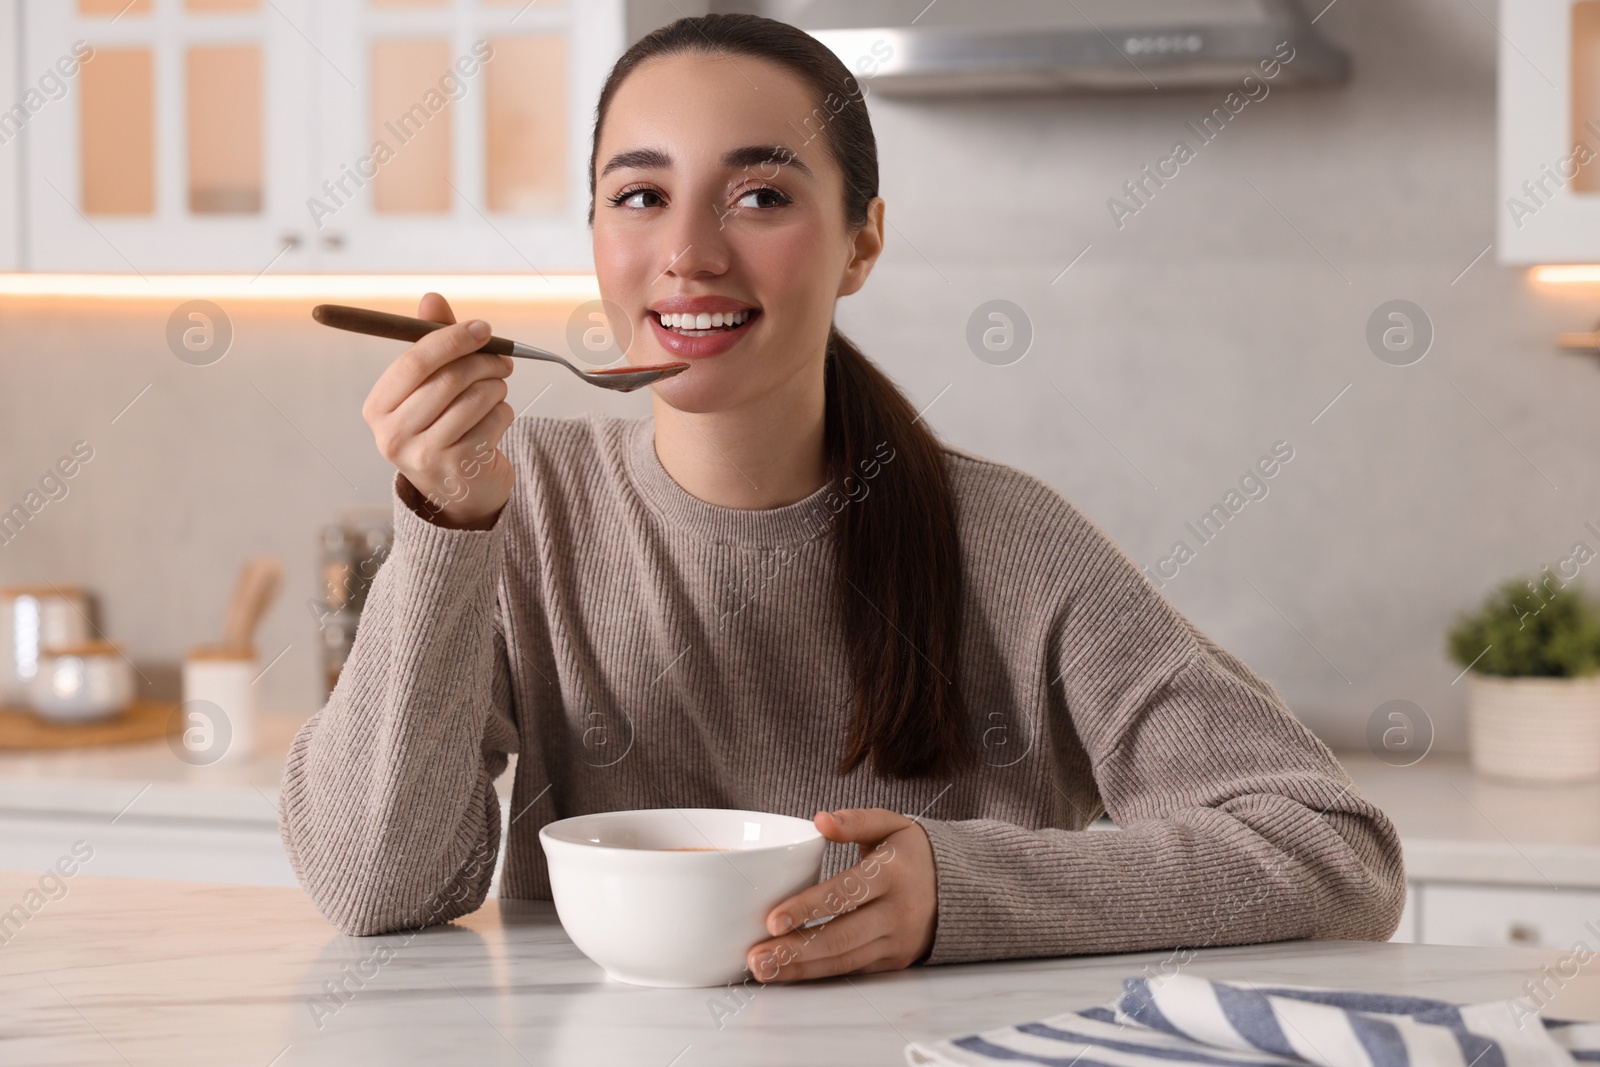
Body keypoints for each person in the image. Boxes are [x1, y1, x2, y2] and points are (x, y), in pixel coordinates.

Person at [279, 13, 1404, 984]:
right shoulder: (525, 507)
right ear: (593, 237)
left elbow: (1334, 852)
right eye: (639, 195)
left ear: (862, 239)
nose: (686, 251)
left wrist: (958, 893)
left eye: (759, 193)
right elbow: (378, 886)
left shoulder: (1007, 541)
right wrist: (443, 524)